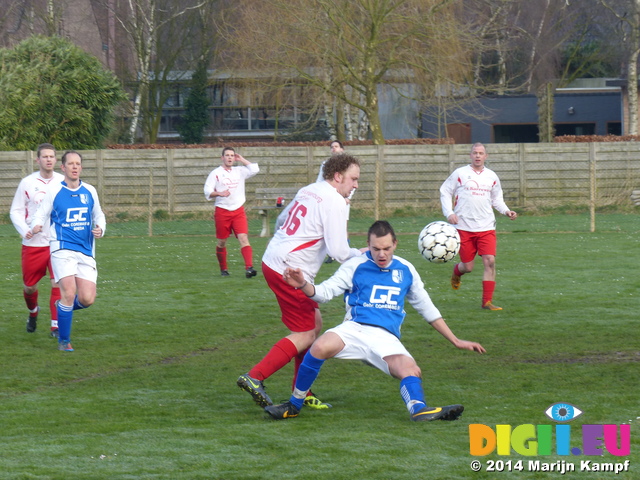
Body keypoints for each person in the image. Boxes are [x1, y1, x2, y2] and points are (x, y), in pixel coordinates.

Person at [265, 220, 486, 422]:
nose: (381, 254)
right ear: (368, 245)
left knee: (410, 369)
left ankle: (418, 409)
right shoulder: (355, 265)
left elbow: (427, 309)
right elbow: (324, 293)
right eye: (376, 248)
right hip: (355, 329)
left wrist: (455, 340)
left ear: (395, 244)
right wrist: (303, 283)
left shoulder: (406, 269)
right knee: (319, 345)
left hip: (386, 337)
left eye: (386, 248)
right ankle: (293, 405)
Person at [237, 153, 363, 410]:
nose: (356, 185)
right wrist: (360, 254)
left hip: (275, 260)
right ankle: (255, 376)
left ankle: (302, 390)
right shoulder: (335, 201)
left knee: (314, 324)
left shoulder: (310, 190)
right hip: (290, 271)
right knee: (306, 333)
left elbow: (282, 220)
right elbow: (339, 252)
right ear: (338, 176)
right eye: (354, 179)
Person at [30, 151, 106, 352]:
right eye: (70, 164)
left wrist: (100, 228)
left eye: (78, 164)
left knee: (87, 299)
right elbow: (40, 214)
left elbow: (99, 214)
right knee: (69, 293)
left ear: (81, 167)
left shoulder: (89, 190)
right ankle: (64, 341)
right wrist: (36, 225)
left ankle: (62, 308)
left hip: (85, 250)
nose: (74, 167)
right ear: (62, 167)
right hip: (62, 249)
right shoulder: (54, 192)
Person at [439, 143, 517, 311]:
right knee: (468, 266)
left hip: (486, 227)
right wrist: (449, 213)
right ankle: (457, 272)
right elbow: (445, 191)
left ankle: (487, 302)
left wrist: (506, 211)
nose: (478, 156)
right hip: (463, 227)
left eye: (481, 153)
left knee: (489, 261)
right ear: (470, 155)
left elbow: (497, 199)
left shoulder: (492, 176)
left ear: (486, 156)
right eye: (475, 153)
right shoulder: (460, 173)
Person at [10, 143, 64, 336]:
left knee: (57, 283)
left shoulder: (63, 181)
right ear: (38, 160)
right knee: (30, 287)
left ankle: (55, 326)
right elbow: (15, 210)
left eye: (52, 156)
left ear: (56, 160)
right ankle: (33, 312)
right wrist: (25, 230)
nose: (49, 159)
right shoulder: (27, 183)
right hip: (33, 243)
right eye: (45, 156)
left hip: (57, 242)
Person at [204, 147, 259, 278]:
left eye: (232, 156)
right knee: (222, 242)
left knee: (243, 238)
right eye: (227, 155)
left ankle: (249, 268)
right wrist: (219, 193)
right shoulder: (215, 173)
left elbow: (255, 169)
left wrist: (242, 159)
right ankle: (223, 269)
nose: (230, 158)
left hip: (238, 210)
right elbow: (207, 191)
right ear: (222, 158)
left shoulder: (240, 171)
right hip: (222, 211)